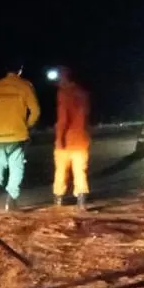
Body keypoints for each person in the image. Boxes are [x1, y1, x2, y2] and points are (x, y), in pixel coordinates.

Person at [0, 67, 40, 211]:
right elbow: (36, 111)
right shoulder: (25, 85)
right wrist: (27, 126)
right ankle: (11, 200)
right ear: (20, 70)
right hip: (17, 134)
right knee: (16, 166)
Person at [51, 66, 91, 208]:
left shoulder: (63, 93)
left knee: (61, 171)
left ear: (64, 78)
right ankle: (81, 201)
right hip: (81, 140)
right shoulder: (83, 94)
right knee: (80, 171)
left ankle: (58, 199)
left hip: (66, 141)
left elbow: (63, 119)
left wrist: (59, 139)